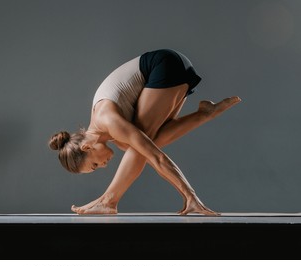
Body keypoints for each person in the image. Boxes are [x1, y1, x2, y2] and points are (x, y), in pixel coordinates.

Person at [48, 48, 241, 215]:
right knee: (132, 145)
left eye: (95, 165)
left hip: (166, 64)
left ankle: (108, 201)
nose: (103, 166)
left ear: (87, 146)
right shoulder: (112, 131)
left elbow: (156, 157)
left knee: (138, 149)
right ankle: (204, 114)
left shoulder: (108, 120)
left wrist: (191, 196)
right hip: (175, 69)